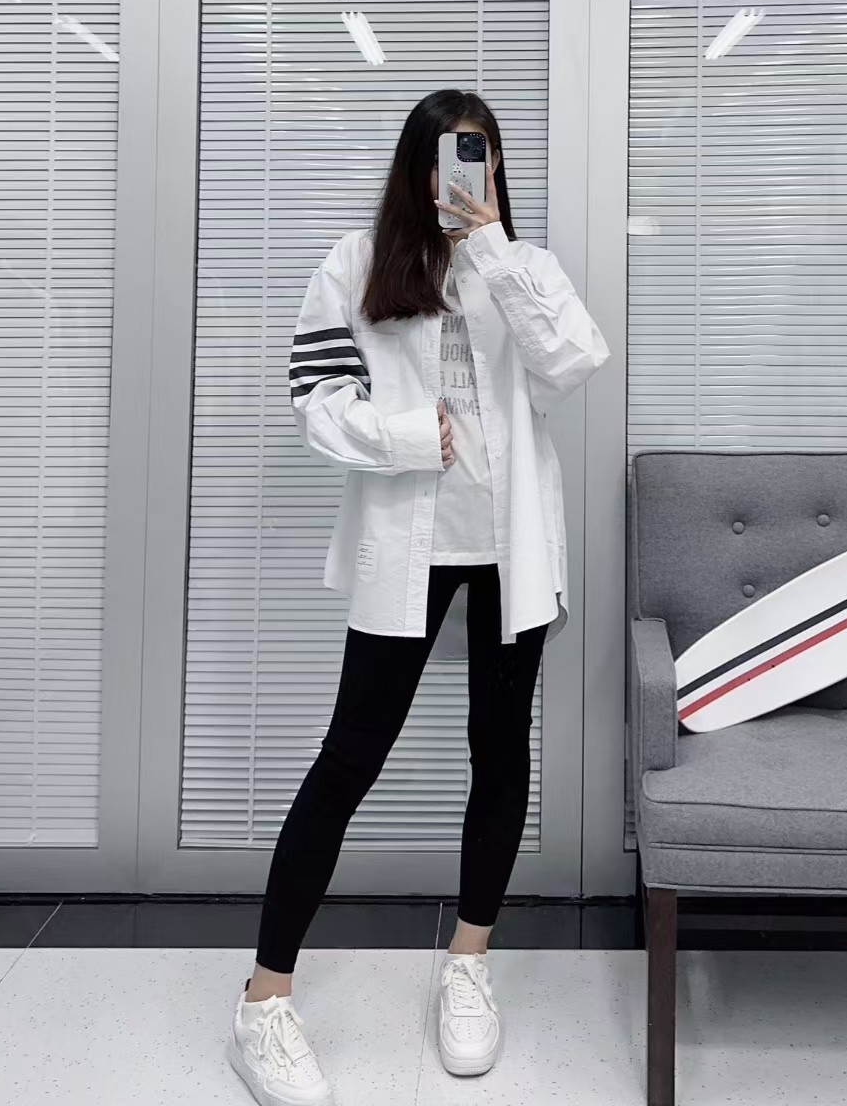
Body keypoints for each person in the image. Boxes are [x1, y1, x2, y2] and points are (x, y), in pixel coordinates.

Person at [226, 88, 609, 1104]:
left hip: (512, 550)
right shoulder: (357, 264)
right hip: (410, 545)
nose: (461, 174)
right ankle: (264, 999)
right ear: (416, 166)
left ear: (495, 167)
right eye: (445, 157)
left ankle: (468, 963)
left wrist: (491, 250)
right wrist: (401, 437)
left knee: (500, 749)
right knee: (350, 756)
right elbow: (315, 398)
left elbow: (574, 361)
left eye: (478, 155)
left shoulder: (524, 268)